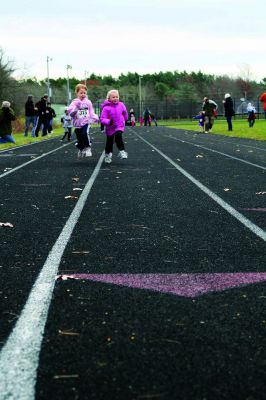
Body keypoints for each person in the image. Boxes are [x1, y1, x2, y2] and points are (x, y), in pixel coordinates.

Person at [67, 83, 99, 158]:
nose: (83, 94)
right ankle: (81, 148)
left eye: (84, 93)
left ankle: (88, 148)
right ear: (77, 93)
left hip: (86, 122)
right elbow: (70, 113)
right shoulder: (74, 102)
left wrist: (95, 117)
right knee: (79, 137)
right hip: (77, 124)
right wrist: (76, 108)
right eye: (81, 93)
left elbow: (91, 111)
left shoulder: (88, 102)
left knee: (85, 133)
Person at [100, 89, 128, 164]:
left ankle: (122, 151)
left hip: (119, 125)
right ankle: (108, 155)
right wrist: (109, 122)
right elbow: (102, 119)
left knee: (118, 136)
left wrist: (126, 119)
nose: (115, 98)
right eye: (113, 97)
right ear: (109, 98)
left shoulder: (121, 105)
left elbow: (125, 112)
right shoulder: (106, 108)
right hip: (110, 127)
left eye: (117, 97)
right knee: (109, 142)